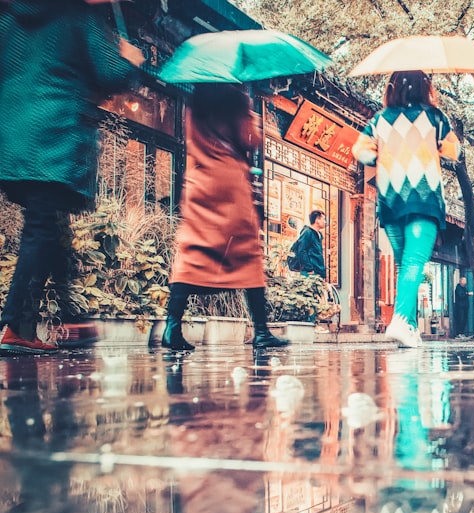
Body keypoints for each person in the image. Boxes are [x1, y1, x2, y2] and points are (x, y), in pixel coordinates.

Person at [0, 0, 144, 354]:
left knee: (51, 229)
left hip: (12, 136)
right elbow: (110, 73)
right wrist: (129, 59)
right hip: (53, 135)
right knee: (43, 230)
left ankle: (46, 323)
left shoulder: (10, 15)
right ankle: (13, 322)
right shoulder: (77, 14)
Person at [162, 83, 289, 351]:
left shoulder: (195, 98)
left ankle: (171, 328)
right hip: (228, 183)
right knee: (247, 257)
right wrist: (253, 117)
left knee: (192, 253)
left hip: (198, 181)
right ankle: (262, 331)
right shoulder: (238, 98)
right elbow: (249, 139)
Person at [352, 70, 460, 348]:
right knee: (413, 263)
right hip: (423, 200)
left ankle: (409, 328)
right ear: (425, 88)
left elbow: (361, 152)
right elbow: (453, 151)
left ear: (391, 88)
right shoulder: (434, 118)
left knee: (404, 265)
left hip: (390, 202)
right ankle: (400, 320)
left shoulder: (379, 120)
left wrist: (386, 154)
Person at [287, 210, 327, 279]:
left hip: (318, 272)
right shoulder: (307, 232)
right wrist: (309, 269)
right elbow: (302, 250)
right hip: (310, 273)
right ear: (317, 219)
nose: (325, 222)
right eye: (323, 219)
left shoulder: (319, 235)